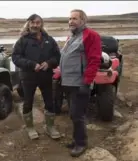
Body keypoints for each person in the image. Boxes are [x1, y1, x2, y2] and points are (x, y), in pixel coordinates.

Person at [12, 14, 61, 140]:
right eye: (32, 23)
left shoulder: (49, 40)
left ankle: (50, 127)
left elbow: (57, 56)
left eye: (38, 22)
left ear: (41, 24)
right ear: (28, 24)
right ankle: (30, 128)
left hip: (46, 76)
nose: (35, 25)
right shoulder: (22, 40)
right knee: (28, 102)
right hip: (28, 76)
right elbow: (16, 58)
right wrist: (31, 64)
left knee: (50, 101)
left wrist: (49, 63)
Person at [60, 9, 102, 157]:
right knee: (73, 114)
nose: (71, 21)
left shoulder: (91, 35)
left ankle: (81, 143)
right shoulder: (71, 36)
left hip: (79, 83)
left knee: (78, 115)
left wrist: (87, 82)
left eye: (75, 19)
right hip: (68, 82)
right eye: (69, 19)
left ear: (83, 21)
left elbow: (94, 60)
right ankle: (76, 139)